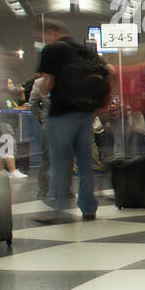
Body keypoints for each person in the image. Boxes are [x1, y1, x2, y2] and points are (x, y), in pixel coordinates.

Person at [33, 19, 101, 223]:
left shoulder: (51, 51)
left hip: (61, 114)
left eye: (42, 36)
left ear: (52, 32)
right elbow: (108, 74)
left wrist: (42, 91)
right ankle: (89, 209)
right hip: (85, 113)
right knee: (85, 163)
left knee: (60, 163)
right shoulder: (86, 50)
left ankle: (59, 210)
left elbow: (48, 82)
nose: (42, 40)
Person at [27, 76, 52, 198]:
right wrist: (43, 119)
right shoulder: (41, 82)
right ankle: (64, 190)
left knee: (46, 158)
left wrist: (42, 118)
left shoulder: (40, 82)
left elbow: (33, 105)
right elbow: (33, 105)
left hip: (49, 122)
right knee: (63, 157)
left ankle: (43, 191)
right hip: (57, 122)